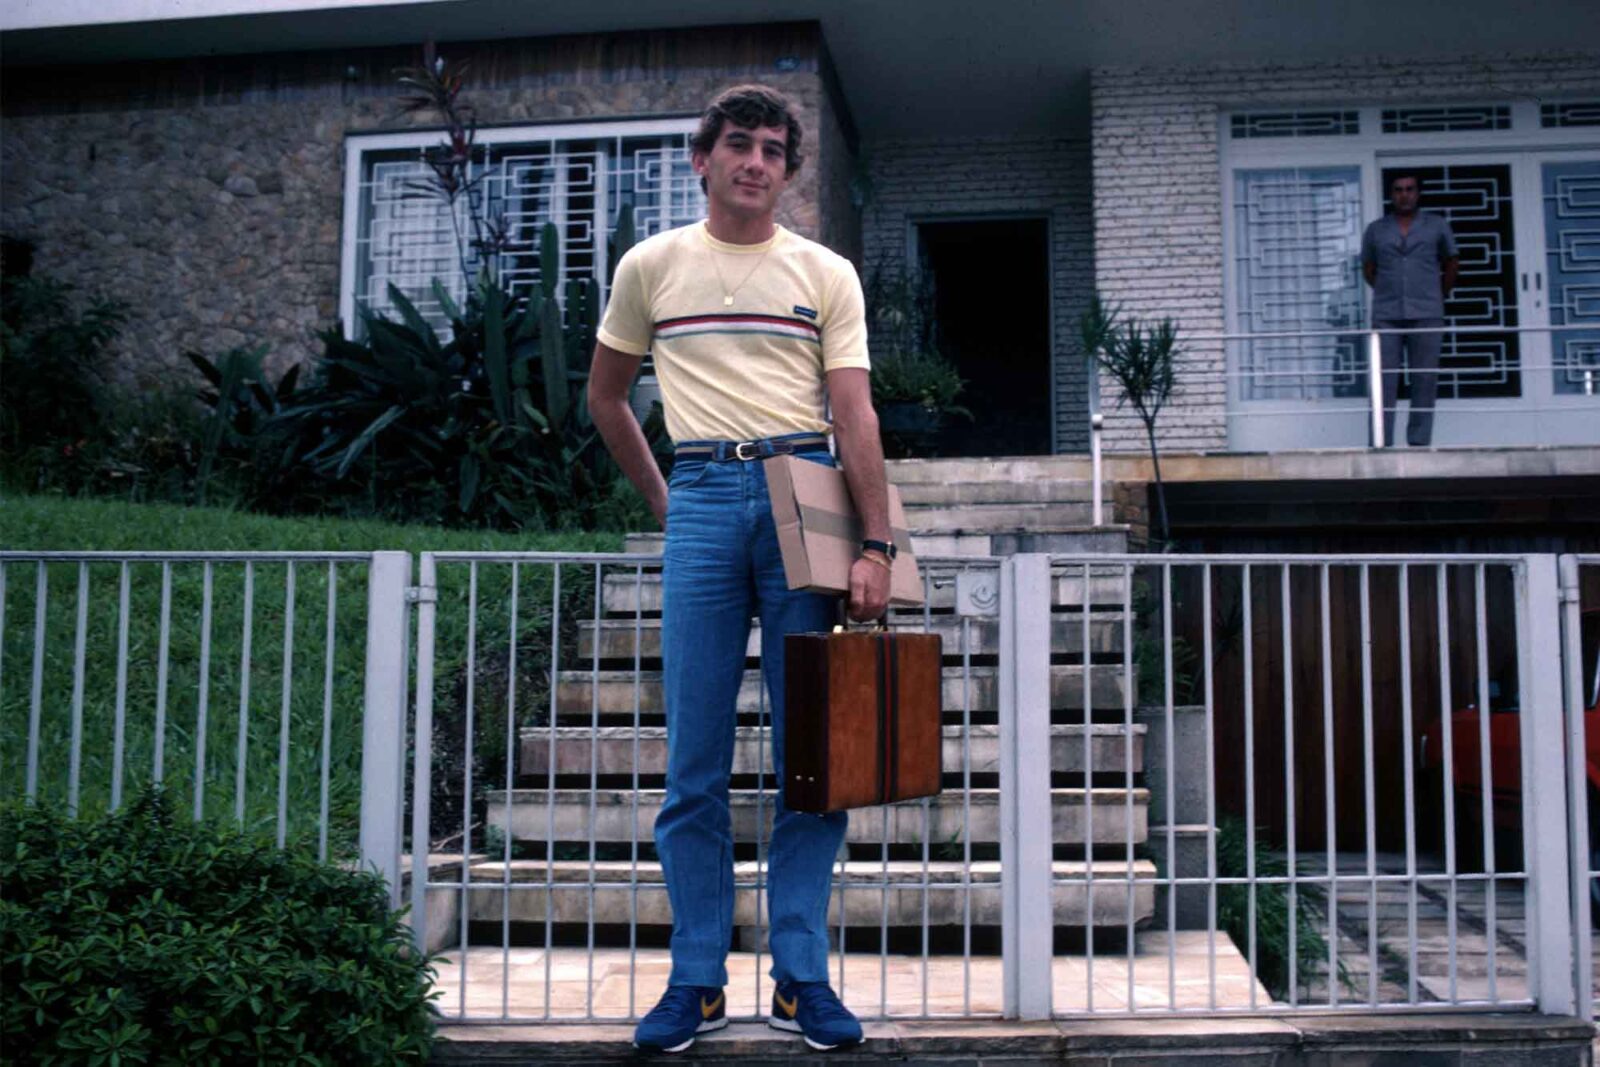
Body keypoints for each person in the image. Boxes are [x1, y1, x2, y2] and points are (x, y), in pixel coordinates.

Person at [586, 84, 892, 1054]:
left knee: (820, 755)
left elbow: (855, 415)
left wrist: (876, 544)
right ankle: (697, 977)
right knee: (694, 765)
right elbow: (605, 398)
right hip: (705, 495)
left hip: (809, 492)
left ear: (786, 169)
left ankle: (800, 977)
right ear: (701, 159)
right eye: (738, 145)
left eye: (772, 149)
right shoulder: (651, 266)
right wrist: (669, 501)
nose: (756, 161)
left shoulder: (823, 271)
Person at [1361, 171, 1460, 447]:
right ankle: (1381, 441)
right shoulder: (1376, 229)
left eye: (1409, 189)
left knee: (1425, 379)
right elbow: (1368, 269)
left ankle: (1418, 441)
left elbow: (1452, 263)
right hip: (1387, 314)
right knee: (1383, 382)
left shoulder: (1436, 225)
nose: (1404, 195)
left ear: (1418, 193)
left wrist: (1437, 295)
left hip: (1427, 312)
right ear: (1391, 194)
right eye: (1398, 190)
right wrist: (1387, 289)